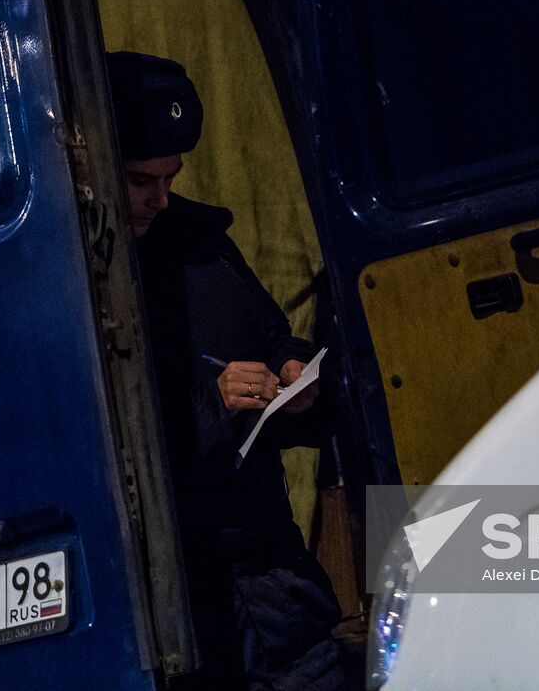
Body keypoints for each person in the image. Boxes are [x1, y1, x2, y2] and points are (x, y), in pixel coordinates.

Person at [108, 50, 359, 691]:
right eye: (140, 181)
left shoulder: (199, 243)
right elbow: (105, 443)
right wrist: (212, 405)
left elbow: (268, 330)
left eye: (171, 178)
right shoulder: (77, 282)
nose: (160, 200)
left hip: (272, 571)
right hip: (187, 596)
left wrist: (291, 370)